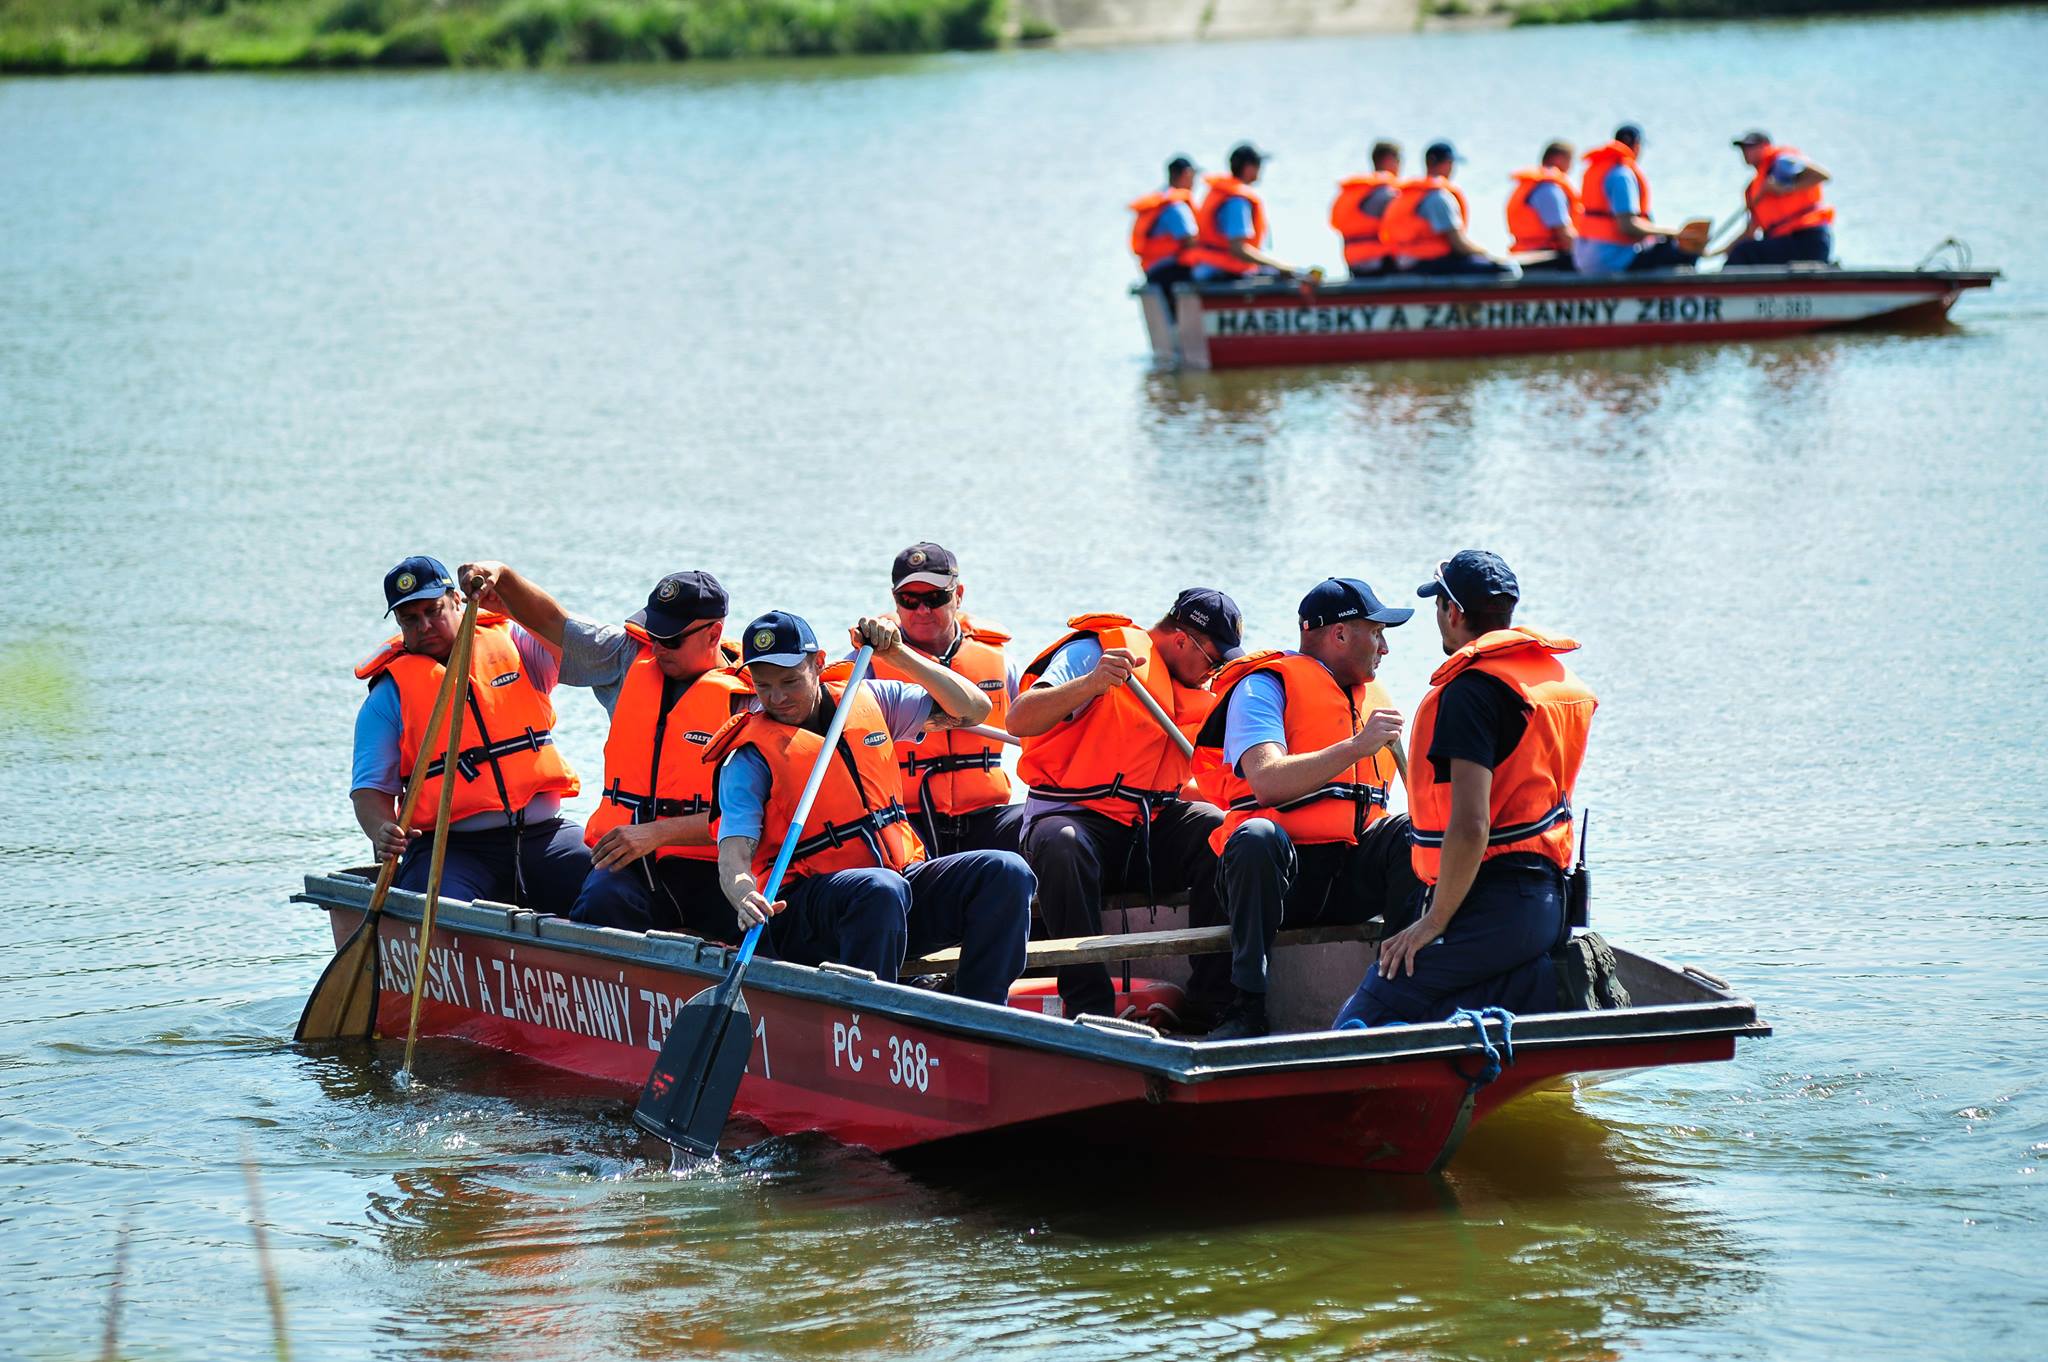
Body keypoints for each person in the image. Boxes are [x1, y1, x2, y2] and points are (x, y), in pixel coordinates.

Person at [708, 611, 1032, 1006]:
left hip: (895, 894)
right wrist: (743, 894)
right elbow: (734, 855)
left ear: (819, 663)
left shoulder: (869, 701)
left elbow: (974, 710)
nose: (777, 698)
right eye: (764, 686)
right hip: (805, 914)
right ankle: (868, 1022)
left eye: (790, 682)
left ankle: (978, 1012)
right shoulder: (748, 758)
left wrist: (899, 655)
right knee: (880, 889)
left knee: (1005, 872)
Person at [1335, 551, 1598, 1028]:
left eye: (1438, 606)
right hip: (1546, 906)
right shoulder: (1543, 679)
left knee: (1363, 1020)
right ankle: (1537, 986)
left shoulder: (1470, 690)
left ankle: (1540, 987)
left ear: (1452, 611)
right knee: (1436, 1016)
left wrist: (1432, 923)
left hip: (1494, 904)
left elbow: (1472, 824)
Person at [460, 561, 749, 940]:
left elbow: (752, 817)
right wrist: (504, 575)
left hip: (720, 868)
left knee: (762, 926)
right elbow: (553, 622)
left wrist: (657, 833)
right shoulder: (629, 658)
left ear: (714, 634)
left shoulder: (754, 697)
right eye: (655, 634)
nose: (659, 648)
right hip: (636, 865)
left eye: (672, 639)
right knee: (598, 902)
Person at [1192, 579, 1421, 1040]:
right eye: (1376, 632)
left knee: (1416, 832)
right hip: (1279, 885)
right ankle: (1246, 1007)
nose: (1386, 648)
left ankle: (1399, 997)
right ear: (1339, 635)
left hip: (1347, 876)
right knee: (1257, 837)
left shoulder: (1371, 699)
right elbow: (1267, 781)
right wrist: (1357, 746)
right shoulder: (1262, 687)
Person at [1009, 589, 1242, 1020]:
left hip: (1146, 828)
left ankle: (1213, 1006)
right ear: (1181, 641)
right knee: (1062, 843)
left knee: (1219, 828)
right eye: (1214, 661)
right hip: (1074, 818)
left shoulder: (1196, 689)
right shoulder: (1097, 653)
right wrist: (1092, 684)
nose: (1216, 673)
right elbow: (1019, 717)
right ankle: (1089, 1008)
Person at [350, 556, 590, 913]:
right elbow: (369, 791)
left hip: (544, 836)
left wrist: (509, 585)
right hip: (450, 850)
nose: (425, 626)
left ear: (457, 601)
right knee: (435, 909)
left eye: (434, 611)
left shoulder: (517, 645)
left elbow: (566, 634)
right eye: (410, 619)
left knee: (610, 886)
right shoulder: (390, 694)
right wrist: (380, 829)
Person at [870, 542, 1025, 860]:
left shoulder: (999, 660)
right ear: (895, 601)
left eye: (935, 598)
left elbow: (1036, 729)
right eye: (909, 600)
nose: (922, 610)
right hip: (904, 817)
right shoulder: (869, 662)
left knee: (1048, 827)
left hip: (985, 813)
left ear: (959, 594)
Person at [1574, 124, 1700, 273]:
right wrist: (1674, 233)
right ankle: (1671, 294)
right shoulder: (1622, 174)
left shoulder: (1597, 169)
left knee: (1659, 246)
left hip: (1584, 259)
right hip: (1610, 259)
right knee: (1683, 250)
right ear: (1636, 146)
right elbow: (1627, 226)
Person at [1380, 142, 1518, 277]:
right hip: (1424, 263)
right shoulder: (1437, 197)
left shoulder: (1406, 194)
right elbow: (1459, 244)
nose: (1452, 168)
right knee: (1499, 269)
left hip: (1403, 262)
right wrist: (1491, 256)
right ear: (1442, 164)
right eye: (1450, 163)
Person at [1184, 143, 1308, 282]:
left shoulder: (1218, 192)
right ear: (1249, 168)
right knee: (1295, 275)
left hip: (1206, 266)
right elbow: (1237, 249)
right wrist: (1281, 267)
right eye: (1258, 165)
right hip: (1222, 270)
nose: (1260, 170)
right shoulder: (1237, 201)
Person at [1725, 131, 1836, 266]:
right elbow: (1750, 232)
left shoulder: (1781, 163)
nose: (1745, 152)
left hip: (1808, 239)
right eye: (1743, 148)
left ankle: (1720, 287)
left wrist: (1784, 188)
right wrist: (1718, 250)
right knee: (1740, 251)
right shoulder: (1753, 189)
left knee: (1743, 253)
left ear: (1765, 146)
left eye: (1750, 147)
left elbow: (1823, 175)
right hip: (1782, 243)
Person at [1329, 140, 1402, 278]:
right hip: (1380, 263)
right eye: (1398, 160)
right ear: (1388, 160)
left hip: (1353, 263)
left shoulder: (1354, 192)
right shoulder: (1387, 193)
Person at [1506, 141, 1581, 272]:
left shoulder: (1529, 185)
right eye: (1569, 160)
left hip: (1523, 255)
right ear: (1558, 158)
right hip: (1544, 258)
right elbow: (1564, 234)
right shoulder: (1549, 189)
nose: (1571, 166)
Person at [1130, 155, 1200, 291]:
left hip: (1153, 271)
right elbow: (1190, 240)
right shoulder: (1175, 205)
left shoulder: (1161, 198)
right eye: (1193, 176)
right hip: (1170, 272)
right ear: (1187, 174)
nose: (1194, 182)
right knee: (1210, 274)